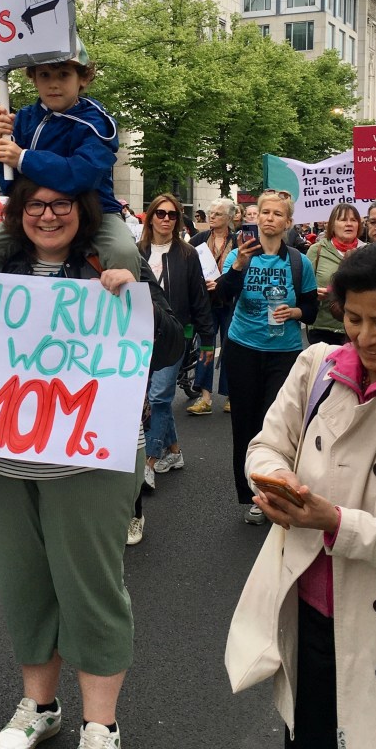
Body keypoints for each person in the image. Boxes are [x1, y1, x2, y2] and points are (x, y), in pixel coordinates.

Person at [0, 179, 183, 749]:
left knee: (92, 590)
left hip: (93, 462)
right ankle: (40, 706)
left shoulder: (111, 261)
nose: (48, 215)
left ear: (83, 210)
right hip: (9, 464)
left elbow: (173, 347)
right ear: (18, 211)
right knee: (25, 588)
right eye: (35, 204)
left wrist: (136, 299)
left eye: (61, 204)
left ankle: (101, 724)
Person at [245, 240, 376, 748]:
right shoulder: (319, 366)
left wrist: (337, 523)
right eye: (354, 318)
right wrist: (276, 481)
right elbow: (267, 444)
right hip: (310, 610)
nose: (365, 337)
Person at [0, 38, 140, 279]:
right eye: (44, 75)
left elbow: (82, 174)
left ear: (83, 78)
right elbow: (11, 184)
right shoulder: (23, 118)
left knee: (123, 252)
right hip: (38, 212)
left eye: (63, 74)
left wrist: (23, 158)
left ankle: (128, 301)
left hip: (97, 213)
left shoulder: (96, 123)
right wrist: (1, 143)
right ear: (33, 78)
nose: (53, 84)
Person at [218, 190, 318, 524]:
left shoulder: (299, 262)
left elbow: (311, 310)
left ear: (288, 222)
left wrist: (295, 312)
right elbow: (222, 296)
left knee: (275, 426)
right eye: (265, 212)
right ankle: (253, 494)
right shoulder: (241, 254)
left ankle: (277, 490)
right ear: (256, 217)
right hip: (243, 349)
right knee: (244, 424)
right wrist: (237, 267)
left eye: (277, 214)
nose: (270, 218)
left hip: (284, 353)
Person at [127, 193, 213, 545]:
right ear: (149, 217)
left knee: (161, 395)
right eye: (159, 213)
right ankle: (174, 452)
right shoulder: (134, 251)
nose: (165, 219)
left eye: (172, 214)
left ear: (179, 220)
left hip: (174, 333)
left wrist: (207, 340)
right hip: (137, 333)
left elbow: (199, 296)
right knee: (151, 398)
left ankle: (148, 463)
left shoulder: (188, 254)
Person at [188, 198, 240, 414]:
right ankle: (205, 397)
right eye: (211, 212)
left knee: (231, 346)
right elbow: (188, 267)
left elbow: (243, 270)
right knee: (205, 346)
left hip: (230, 302)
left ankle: (230, 395)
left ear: (229, 217)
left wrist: (222, 283)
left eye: (218, 213)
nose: (212, 216)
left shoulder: (238, 241)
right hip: (206, 302)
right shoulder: (198, 240)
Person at [305, 203, 364, 346]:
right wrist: (314, 293)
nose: (349, 224)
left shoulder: (368, 251)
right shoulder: (317, 250)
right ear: (332, 224)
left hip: (360, 329)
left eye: (353, 220)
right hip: (322, 328)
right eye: (343, 220)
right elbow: (303, 287)